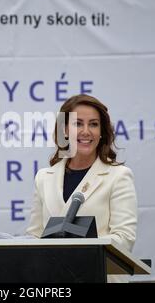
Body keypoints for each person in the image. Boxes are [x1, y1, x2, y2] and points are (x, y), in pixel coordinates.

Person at [26, 94, 137, 283]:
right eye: (78, 124)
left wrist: (79, 253)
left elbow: (124, 238)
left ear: (102, 131)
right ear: (65, 130)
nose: (86, 131)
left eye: (93, 124)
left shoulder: (119, 176)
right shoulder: (44, 177)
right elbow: (35, 235)